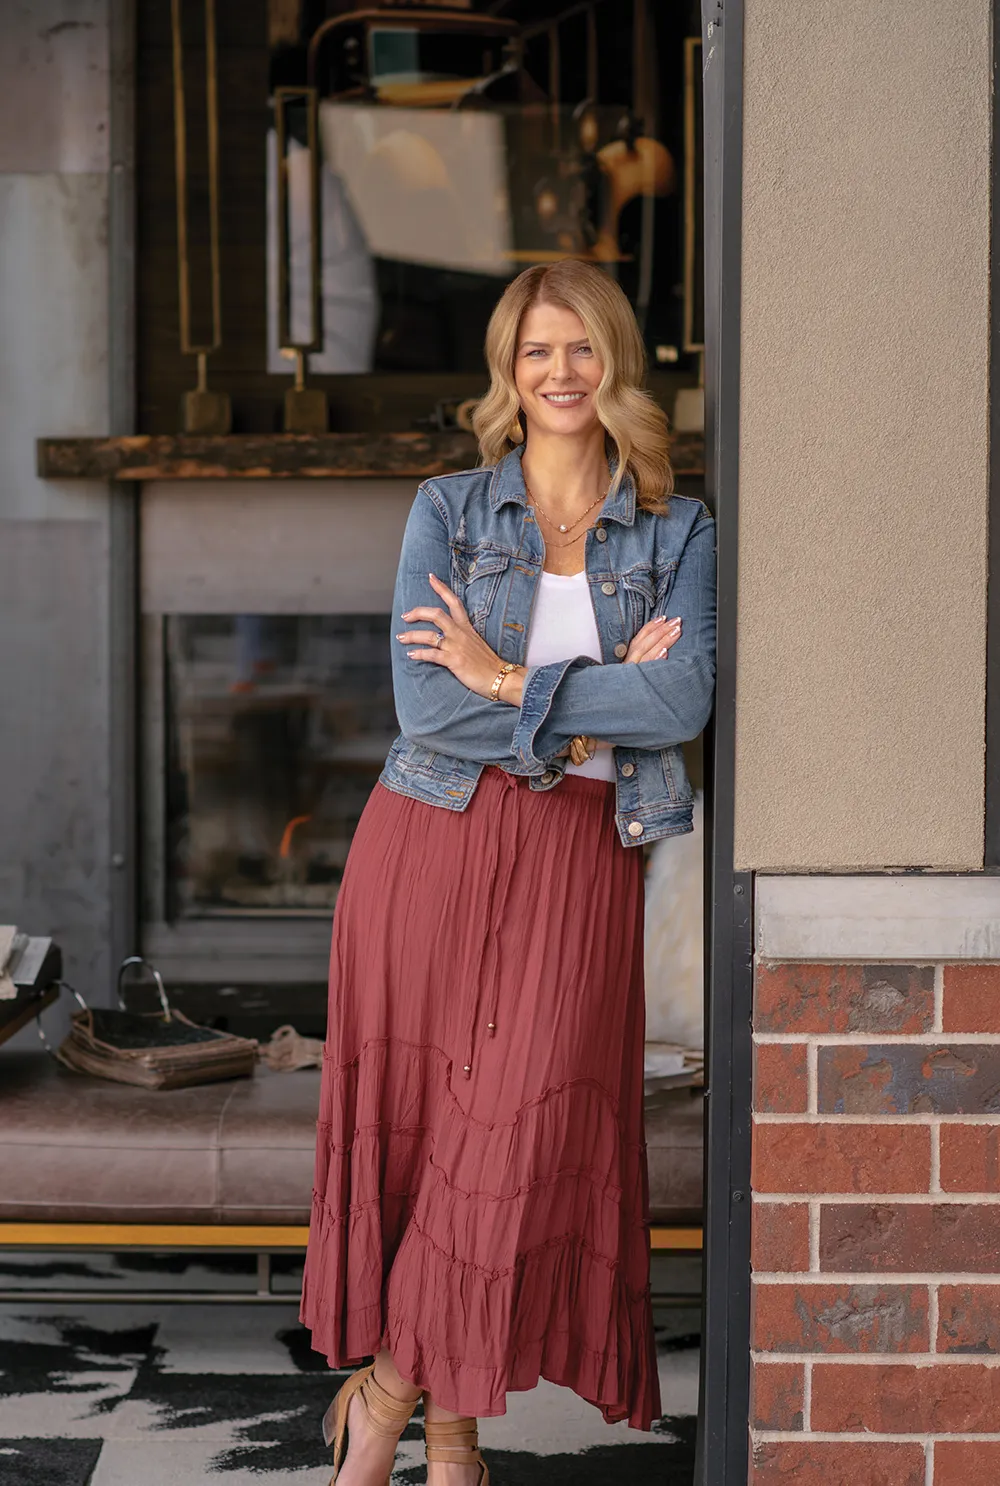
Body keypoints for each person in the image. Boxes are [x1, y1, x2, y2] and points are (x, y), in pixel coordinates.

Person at [300, 258, 716, 1486]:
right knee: (437, 1137)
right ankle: (455, 1446)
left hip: (580, 862)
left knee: (506, 1143)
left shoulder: (676, 526)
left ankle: (380, 1396)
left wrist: (504, 677)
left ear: (616, 362)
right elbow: (421, 703)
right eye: (537, 351)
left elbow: (682, 697)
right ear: (508, 371)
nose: (561, 372)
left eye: (582, 347)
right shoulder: (447, 508)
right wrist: (589, 714)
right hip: (426, 842)